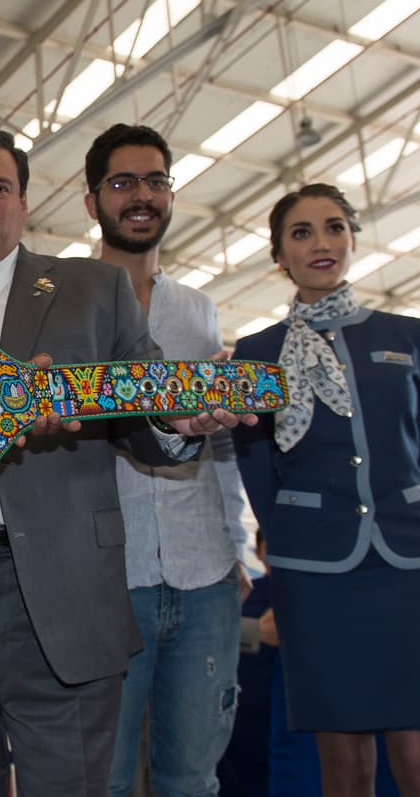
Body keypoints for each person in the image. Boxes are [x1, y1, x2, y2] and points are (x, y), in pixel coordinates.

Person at [0, 126, 252, 797]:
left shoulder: (95, 290)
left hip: (64, 590)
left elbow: (143, 408)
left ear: (24, 203)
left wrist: (175, 419)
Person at [232, 183, 420, 797]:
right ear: (278, 255)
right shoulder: (256, 353)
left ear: (352, 239)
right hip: (315, 573)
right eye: (302, 232)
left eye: (334, 227)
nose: (321, 242)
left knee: (419, 756)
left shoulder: (409, 334)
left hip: (410, 561)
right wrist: (289, 540)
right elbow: (256, 465)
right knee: (344, 765)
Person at [84, 124, 246, 797]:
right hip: (106, 579)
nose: (141, 196)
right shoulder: (68, 303)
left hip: (205, 574)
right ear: (92, 201)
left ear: (172, 196)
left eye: (155, 181)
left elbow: (223, 445)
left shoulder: (198, 310)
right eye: (123, 182)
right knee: (104, 779)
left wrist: (236, 549)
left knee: (193, 779)